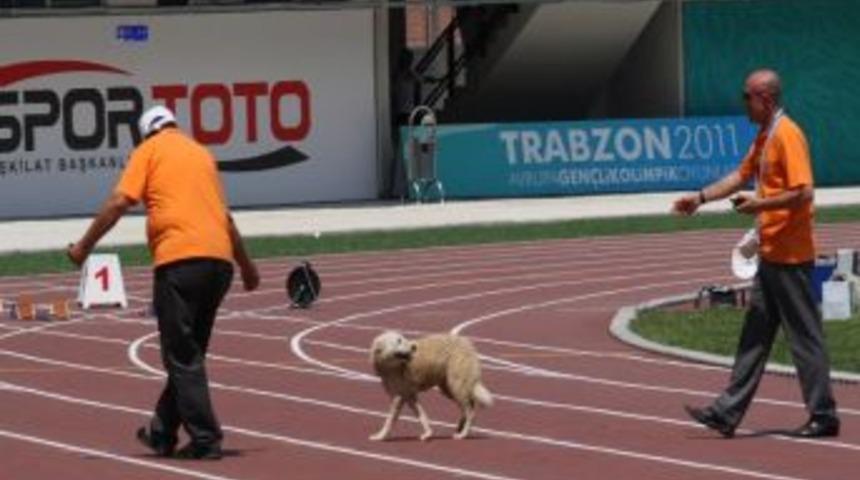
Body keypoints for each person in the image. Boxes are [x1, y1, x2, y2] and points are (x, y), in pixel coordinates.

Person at [68, 105, 260, 459]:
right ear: (172, 124)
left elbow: (118, 202)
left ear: (147, 132)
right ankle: (161, 432)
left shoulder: (149, 150)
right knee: (189, 355)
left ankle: (206, 439)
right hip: (219, 265)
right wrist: (247, 267)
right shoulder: (201, 154)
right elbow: (226, 219)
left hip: (180, 262)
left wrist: (83, 247)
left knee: (182, 357)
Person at [672, 69, 839, 438]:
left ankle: (824, 415)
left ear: (766, 98)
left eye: (746, 96)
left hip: (792, 257)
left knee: (805, 338)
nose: (742, 103)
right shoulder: (765, 136)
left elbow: (804, 192)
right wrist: (698, 198)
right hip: (771, 254)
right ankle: (726, 412)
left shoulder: (788, 135)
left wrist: (760, 205)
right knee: (755, 335)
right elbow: (738, 176)